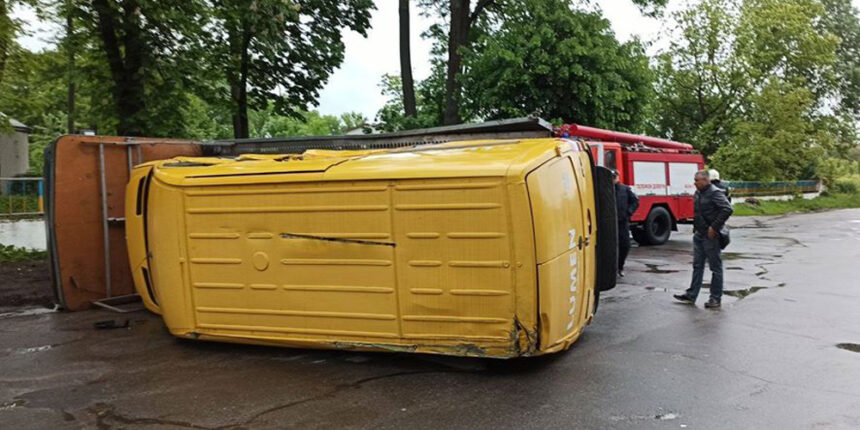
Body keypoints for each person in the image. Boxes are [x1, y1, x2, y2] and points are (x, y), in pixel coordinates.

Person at [674, 170, 733, 308]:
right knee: (697, 265)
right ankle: (691, 294)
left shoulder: (715, 192)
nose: (694, 183)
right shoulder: (698, 193)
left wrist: (714, 227)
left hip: (711, 236)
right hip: (699, 234)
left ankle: (715, 298)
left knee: (715, 268)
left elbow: (727, 209)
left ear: (706, 180)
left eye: (697, 180)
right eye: (694, 180)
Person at [613, 170, 639, 278]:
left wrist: (628, 212)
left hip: (622, 222)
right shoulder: (605, 189)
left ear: (618, 177)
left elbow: (635, 202)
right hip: (610, 223)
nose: (613, 179)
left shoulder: (625, 189)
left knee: (625, 246)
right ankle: (612, 269)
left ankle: (620, 266)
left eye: (614, 177)